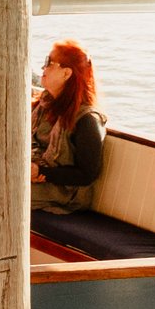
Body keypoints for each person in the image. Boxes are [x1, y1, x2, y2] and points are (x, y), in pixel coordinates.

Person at [30, 41, 105, 214]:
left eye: (49, 62)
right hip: (34, 179)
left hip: (65, 195)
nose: (43, 67)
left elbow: (86, 175)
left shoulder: (87, 120)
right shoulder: (42, 106)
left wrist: (42, 172)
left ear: (66, 73)